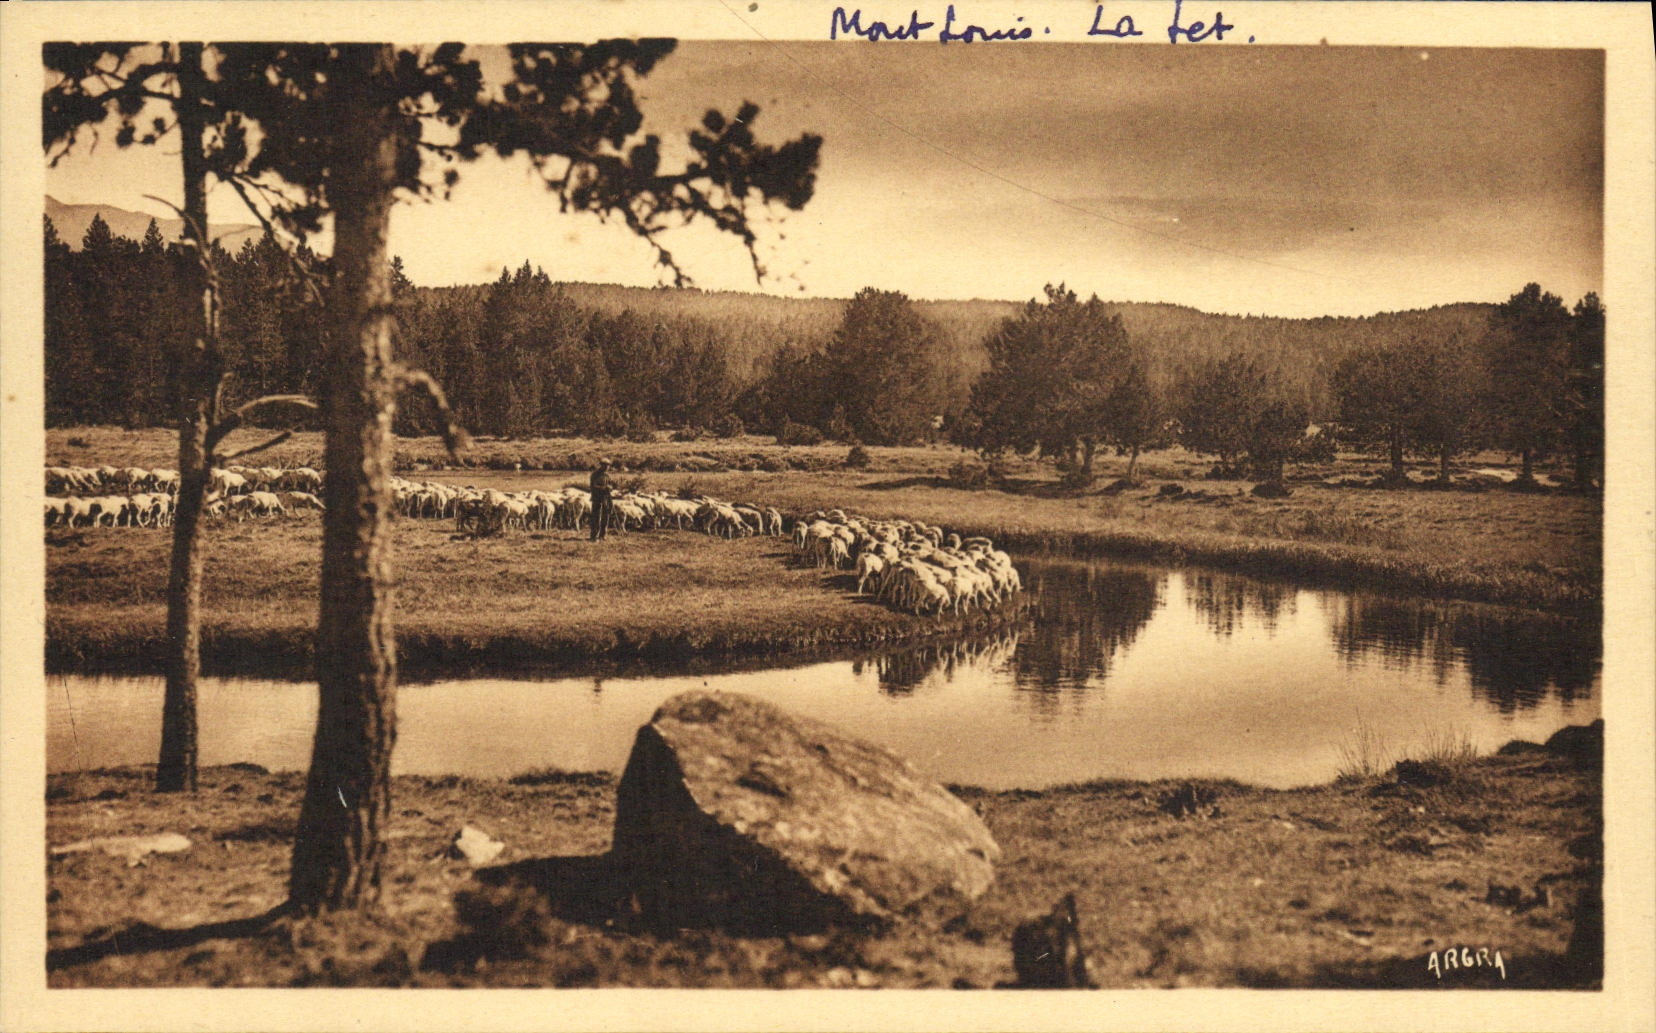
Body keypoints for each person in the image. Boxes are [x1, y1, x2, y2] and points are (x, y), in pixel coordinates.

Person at [589, 458, 613, 541]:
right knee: (596, 517)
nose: (606, 467)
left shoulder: (607, 475)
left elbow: (611, 484)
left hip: (606, 498)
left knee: (606, 516)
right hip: (597, 498)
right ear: (601, 465)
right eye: (605, 465)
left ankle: (603, 535)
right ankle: (594, 536)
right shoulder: (595, 475)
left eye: (608, 466)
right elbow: (593, 486)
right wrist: (603, 488)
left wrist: (610, 488)